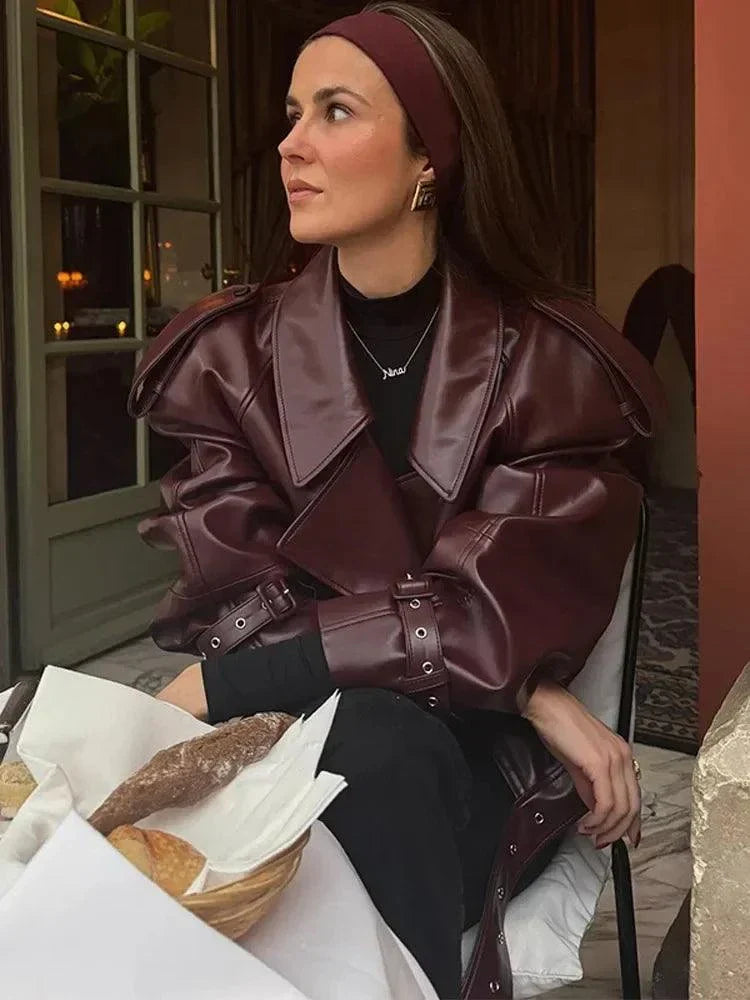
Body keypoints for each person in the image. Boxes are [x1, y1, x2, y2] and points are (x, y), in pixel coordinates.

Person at [128, 5, 663, 998]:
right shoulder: (231, 359)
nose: (290, 143)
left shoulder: (554, 369)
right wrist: (529, 688)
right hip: (293, 747)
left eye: (335, 112)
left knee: (379, 741)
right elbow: (248, 619)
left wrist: (498, 675)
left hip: (475, 781)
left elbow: (492, 619)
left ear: (431, 156)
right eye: (292, 113)